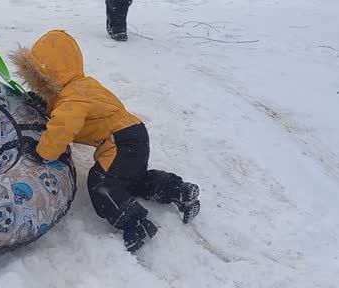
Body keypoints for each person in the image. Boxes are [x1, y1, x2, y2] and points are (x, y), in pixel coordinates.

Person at [12, 30, 200, 252]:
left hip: (120, 142)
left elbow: (63, 126)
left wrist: (43, 152)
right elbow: (68, 110)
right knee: (132, 181)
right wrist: (46, 103)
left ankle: (135, 223)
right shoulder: (83, 86)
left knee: (102, 184)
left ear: (48, 77)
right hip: (135, 134)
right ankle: (178, 190)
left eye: (40, 81)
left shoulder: (72, 98)